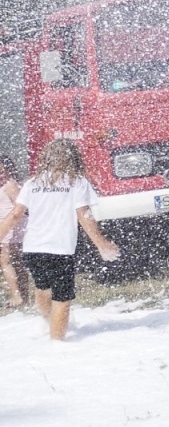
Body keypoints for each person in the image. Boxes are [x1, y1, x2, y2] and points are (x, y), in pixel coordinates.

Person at [0, 140, 121, 340]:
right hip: (60, 249)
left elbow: (15, 215)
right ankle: (57, 344)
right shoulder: (77, 182)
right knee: (62, 299)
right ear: (73, 158)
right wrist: (102, 245)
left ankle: (48, 323)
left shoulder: (33, 183)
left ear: (46, 158)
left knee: (43, 288)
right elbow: (84, 215)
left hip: (33, 249)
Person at [1, 156, 26, 308]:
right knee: (14, 262)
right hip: (6, 226)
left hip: (10, 227)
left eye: (2, 171)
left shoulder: (10, 185)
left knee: (6, 261)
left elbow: (21, 207)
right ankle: (20, 294)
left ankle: (17, 296)